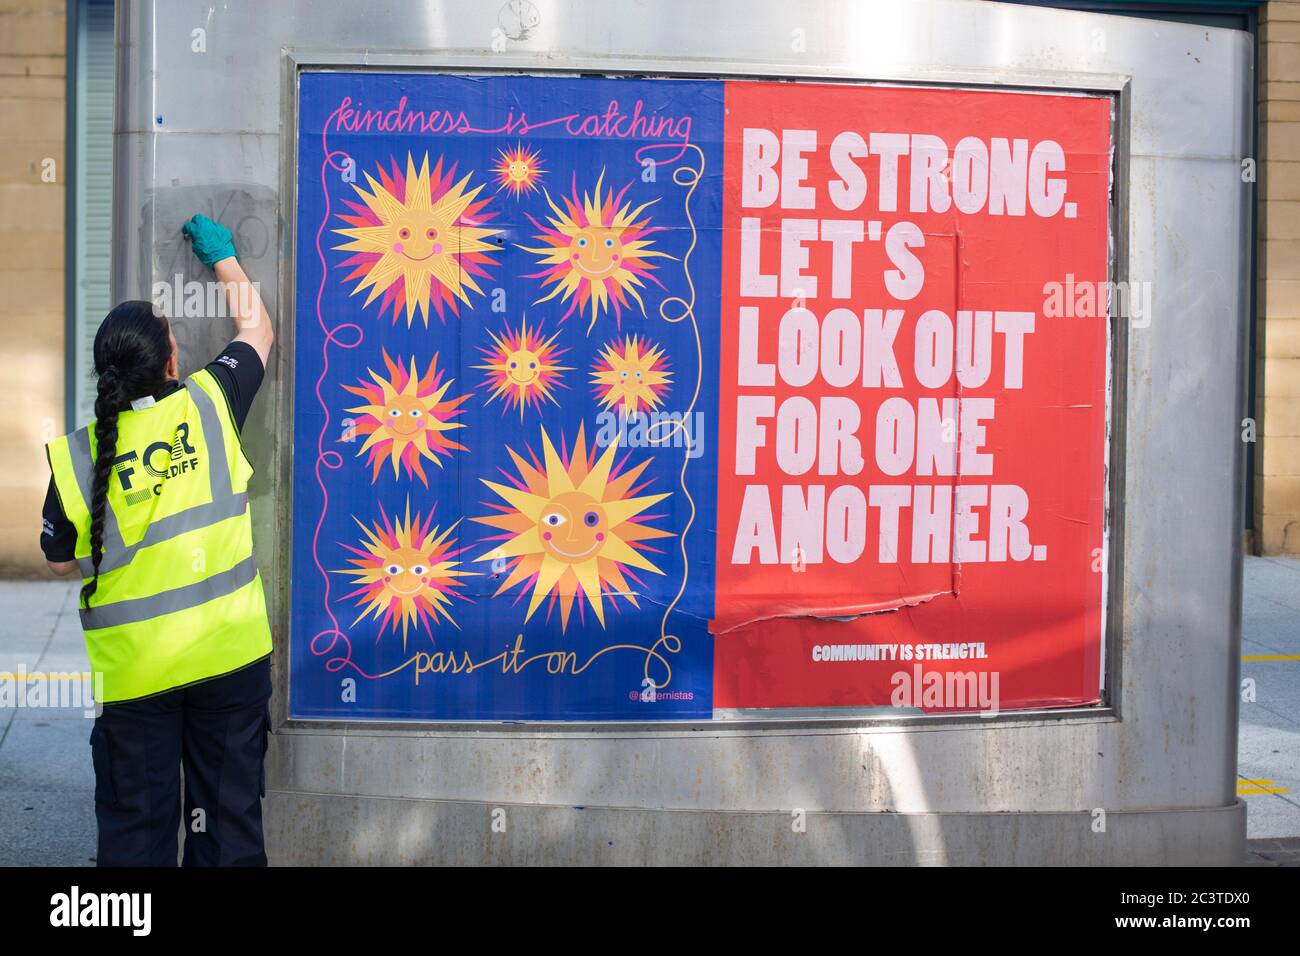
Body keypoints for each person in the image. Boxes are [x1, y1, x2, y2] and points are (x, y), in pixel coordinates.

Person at [40, 215, 276, 866]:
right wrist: (224, 258)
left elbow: (60, 562)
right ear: (171, 356)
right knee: (225, 833)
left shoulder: (80, 457)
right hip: (228, 661)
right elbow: (257, 331)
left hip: (136, 677)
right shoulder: (210, 402)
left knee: (136, 842)